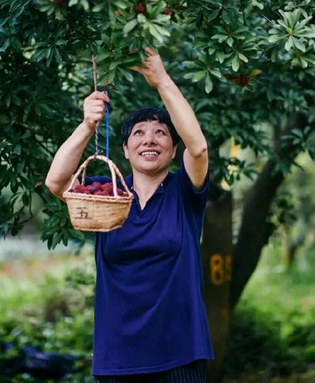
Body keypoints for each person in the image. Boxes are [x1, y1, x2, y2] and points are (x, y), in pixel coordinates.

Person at [45, 47, 214, 382]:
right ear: (124, 149)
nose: (149, 139)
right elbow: (56, 182)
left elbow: (199, 148)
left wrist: (161, 80)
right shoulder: (107, 195)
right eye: (138, 132)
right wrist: (87, 125)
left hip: (180, 353)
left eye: (160, 132)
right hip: (118, 358)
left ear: (172, 148)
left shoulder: (184, 194)